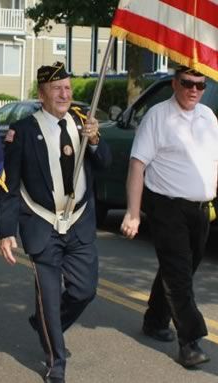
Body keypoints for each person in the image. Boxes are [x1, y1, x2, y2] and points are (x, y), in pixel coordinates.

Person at [0, 62, 111, 383]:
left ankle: (47, 323)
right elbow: (8, 184)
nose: (64, 94)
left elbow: (104, 164)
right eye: (57, 89)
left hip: (79, 223)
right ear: (41, 94)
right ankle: (55, 363)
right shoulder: (22, 130)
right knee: (48, 296)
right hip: (42, 225)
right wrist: (6, 231)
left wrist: (96, 142)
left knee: (83, 291)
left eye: (68, 88)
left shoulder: (82, 125)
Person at [120, 66, 218, 368]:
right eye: (187, 83)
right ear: (175, 83)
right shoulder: (157, 117)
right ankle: (190, 342)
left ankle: (155, 319)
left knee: (181, 270)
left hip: (201, 209)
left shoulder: (209, 118)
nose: (193, 90)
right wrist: (133, 213)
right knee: (178, 274)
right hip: (166, 206)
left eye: (200, 86)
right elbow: (137, 166)